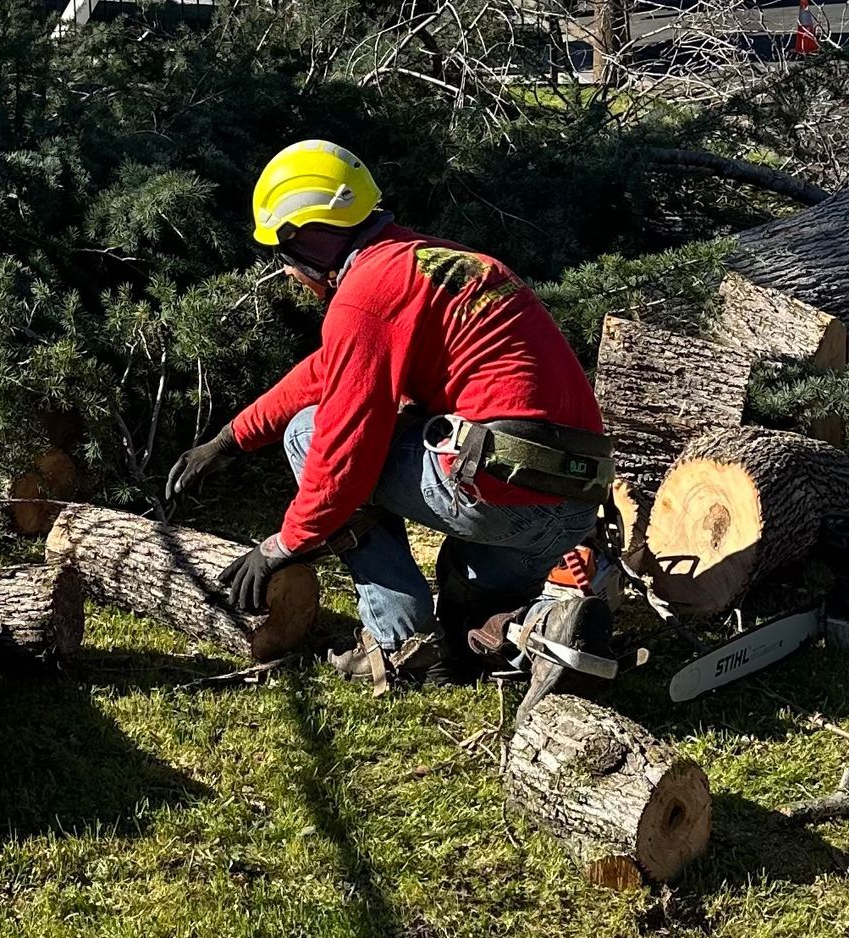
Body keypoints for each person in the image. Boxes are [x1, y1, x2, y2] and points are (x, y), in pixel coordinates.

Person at [165, 139, 609, 687]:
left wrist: (281, 546)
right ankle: (511, 628)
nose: (286, 273)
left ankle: (400, 641)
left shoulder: (366, 294)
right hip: (572, 506)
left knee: (309, 434)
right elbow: (328, 370)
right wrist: (231, 438)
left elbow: (341, 453)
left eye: (283, 256)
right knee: (469, 603)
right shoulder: (427, 261)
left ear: (308, 239)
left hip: (507, 496)